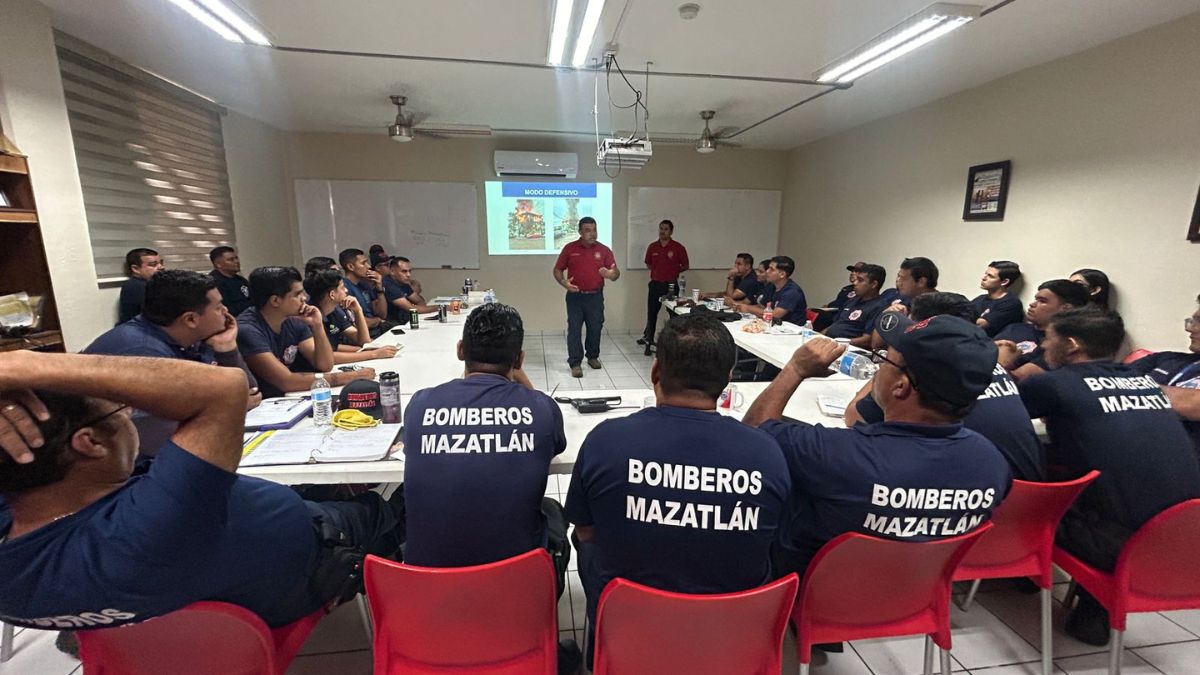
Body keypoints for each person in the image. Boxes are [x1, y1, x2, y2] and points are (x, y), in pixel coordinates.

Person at [0, 352, 406, 631]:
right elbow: (220, 389)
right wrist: (24, 364)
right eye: (118, 408)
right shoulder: (141, 529)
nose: (127, 414)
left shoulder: (20, 524)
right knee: (396, 500)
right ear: (89, 443)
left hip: (182, 583)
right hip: (314, 557)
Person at [565, 312, 790, 660]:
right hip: (730, 631)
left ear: (655, 372)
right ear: (728, 379)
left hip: (629, 623)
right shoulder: (767, 452)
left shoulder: (605, 441)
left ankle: (600, 653)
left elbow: (585, 532)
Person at [743, 314, 1012, 579]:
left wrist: (795, 369)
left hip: (819, 595)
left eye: (884, 360)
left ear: (900, 386)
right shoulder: (992, 462)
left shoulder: (836, 453)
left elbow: (753, 437)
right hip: (913, 598)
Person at [1018, 308, 1200, 645]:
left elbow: (1008, 419)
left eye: (1048, 338)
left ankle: (1018, 582)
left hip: (1123, 548)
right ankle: (1090, 615)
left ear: (1071, 345)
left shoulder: (1054, 384)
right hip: (1186, 544)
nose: (1043, 346)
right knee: (1108, 495)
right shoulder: (1147, 383)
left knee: (1026, 503)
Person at [402, 304, 568, 579]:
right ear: (519, 360)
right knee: (552, 511)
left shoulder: (421, 404)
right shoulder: (541, 408)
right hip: (516, 589)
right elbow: (554, 441)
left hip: (427, 591)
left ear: (460, 350)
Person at [845, 292, 1044, 481]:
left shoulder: (932, 380)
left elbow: (854, 416)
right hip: (1028, 495)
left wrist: (894, 363)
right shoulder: (985, 365)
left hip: (981, 501)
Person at [85, 269, 262, 454]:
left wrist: (227, 349)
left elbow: (250, 392)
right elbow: (160, 431)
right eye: (218, 307)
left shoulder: (193, 337)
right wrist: (229, 405)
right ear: (191, 319)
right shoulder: (142, 354)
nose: (226, 311)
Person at [236, 266, 373, 398]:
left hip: (290, 397)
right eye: (297, 294)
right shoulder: (248, 330)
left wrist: (317, 326)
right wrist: (351, 377)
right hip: (263, 406)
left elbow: (324, 365)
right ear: (275, 300)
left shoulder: (292, 319)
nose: (304, 298)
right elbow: (286, 381)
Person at [1125, 293, 1200, 453]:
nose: (1190, 329)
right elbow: (1109, 378)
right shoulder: (1166, 359)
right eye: (1192, 321)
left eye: (1199, 322)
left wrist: (1124, 389)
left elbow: (1194, 404)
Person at [553, 217, 619, 378]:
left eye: (594, 230)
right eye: (588, 230)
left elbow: (616, 273)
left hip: (595, 297)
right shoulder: (570, 248)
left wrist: (611, 274)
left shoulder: (604, 250)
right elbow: (557, 269)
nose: (592, 234)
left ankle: (592, 357)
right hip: (575, 297)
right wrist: (564, 283)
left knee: (595, 328)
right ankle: (575, 363)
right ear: (580, 232)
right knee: (574, 329)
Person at [995, 279, 1090, 382]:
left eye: (1042, 301)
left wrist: (1000, 363)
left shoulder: (1058, 343)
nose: (1032, 304)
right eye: (1036, 299)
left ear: (1066, 309)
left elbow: (1018, 378)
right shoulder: (1014, 328)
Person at [302, 269, 399, 364]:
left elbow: (363, 342)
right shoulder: (309, 317)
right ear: (332, 294)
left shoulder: (335, 310)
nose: (346, 290)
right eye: (342, 287)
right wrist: (373, 354)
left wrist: (358, 311)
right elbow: (326, 358)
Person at [640, 220, 690, 356]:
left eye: (666, 229)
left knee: (674, 315)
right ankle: (648, 342)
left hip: (671, 286)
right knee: (651, 315)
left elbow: (685, 265)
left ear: (671, 231)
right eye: (661, 229)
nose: (662, 231)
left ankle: (673, 344)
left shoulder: (678, 247)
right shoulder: (653, 247)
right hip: (655, 284)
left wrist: (673, 271)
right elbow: (649, 264)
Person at [822, 263, 890, 348]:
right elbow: (835, 324)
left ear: (874, 284)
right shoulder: (852, 301)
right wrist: (818, 336)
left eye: (860, 280)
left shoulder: (880, 307)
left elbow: (867, 340)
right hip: (831, 344)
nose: (855, 283)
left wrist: (837, 343)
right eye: (856, 279)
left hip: (848, 349)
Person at [733, 256, 807, 326]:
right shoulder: (771, 286)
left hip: (792, 330)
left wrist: (748, 308)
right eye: (768, 268)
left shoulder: (792, 292)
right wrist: (740, 306)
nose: (767, 271)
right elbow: (762, 307)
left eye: (771, 269)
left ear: (782, 274)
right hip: (773, 325)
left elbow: (775, 315)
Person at [338, 248, 388, 336]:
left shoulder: (364, 284)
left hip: (377, 329)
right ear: (350, 267)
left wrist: (379, 288)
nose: (368, 266)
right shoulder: (344, 288)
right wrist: (377, 320)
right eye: (363, 263)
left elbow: (382, 314)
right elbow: (354, 322)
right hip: (364, 334)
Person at [972, 260, 1023, 337]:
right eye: (985, 274)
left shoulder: (1011, 303)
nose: (983, 278)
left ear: (1004, 282)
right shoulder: (980, 299)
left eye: (990, 276)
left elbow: (980, 324)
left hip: (990, 344)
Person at [812, 262, 864, 332]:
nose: (852, 273)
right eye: (852, 271)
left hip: (840, 316)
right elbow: (838, 301)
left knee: (821, 316)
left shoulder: (861, 291)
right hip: (832, 311)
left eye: (856, 271)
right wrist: (828, 306)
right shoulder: (846, 288)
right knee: (812, 310)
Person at [116, 248, 164, 325]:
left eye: (161, 263)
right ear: (135, 269)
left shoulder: (150, 284)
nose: (161, 267)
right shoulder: (136, 286)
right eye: (153, 264)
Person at [383, 256, 437, 321]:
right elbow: (410, 308)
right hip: (392, 324)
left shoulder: (403, 283)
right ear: (392, 271)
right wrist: (439, 307)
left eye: (410, 271)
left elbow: (419, 301)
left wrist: (421, 314)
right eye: (404, 271)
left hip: (404, 320)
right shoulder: (388, 285)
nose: (408, 275)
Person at [207, 246, 252, 317]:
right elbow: (225, 310)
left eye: (236, 258)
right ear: (218, 264)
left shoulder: (241, 280)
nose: (237, 261)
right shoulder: (213, 283)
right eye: (231, 260)